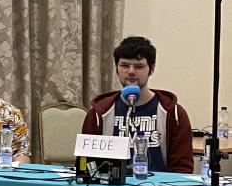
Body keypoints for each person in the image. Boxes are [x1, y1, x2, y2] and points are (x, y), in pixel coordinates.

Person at [81, 36, 192, 173]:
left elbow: (182, 169)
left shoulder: (174, 114)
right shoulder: (99, 114)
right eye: (124, 66)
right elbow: (85, 165)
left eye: (139, 66)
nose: (131, 71)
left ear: (151, 69)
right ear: (116, 69)